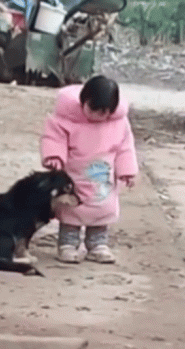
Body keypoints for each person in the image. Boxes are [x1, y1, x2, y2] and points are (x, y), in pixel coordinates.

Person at [41, 75, 138, 264]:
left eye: (104, 112)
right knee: (71, 209)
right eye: (93, 109)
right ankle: (68, 244)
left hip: (103, 177)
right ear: (83, 101)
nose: (97, 116)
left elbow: (125, 147)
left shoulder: (119, 123)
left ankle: (97, 244)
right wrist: (54, 157)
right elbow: (54, 137)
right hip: (74, 175)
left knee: (101, 209)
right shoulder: (66, 118)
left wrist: (127, 170)